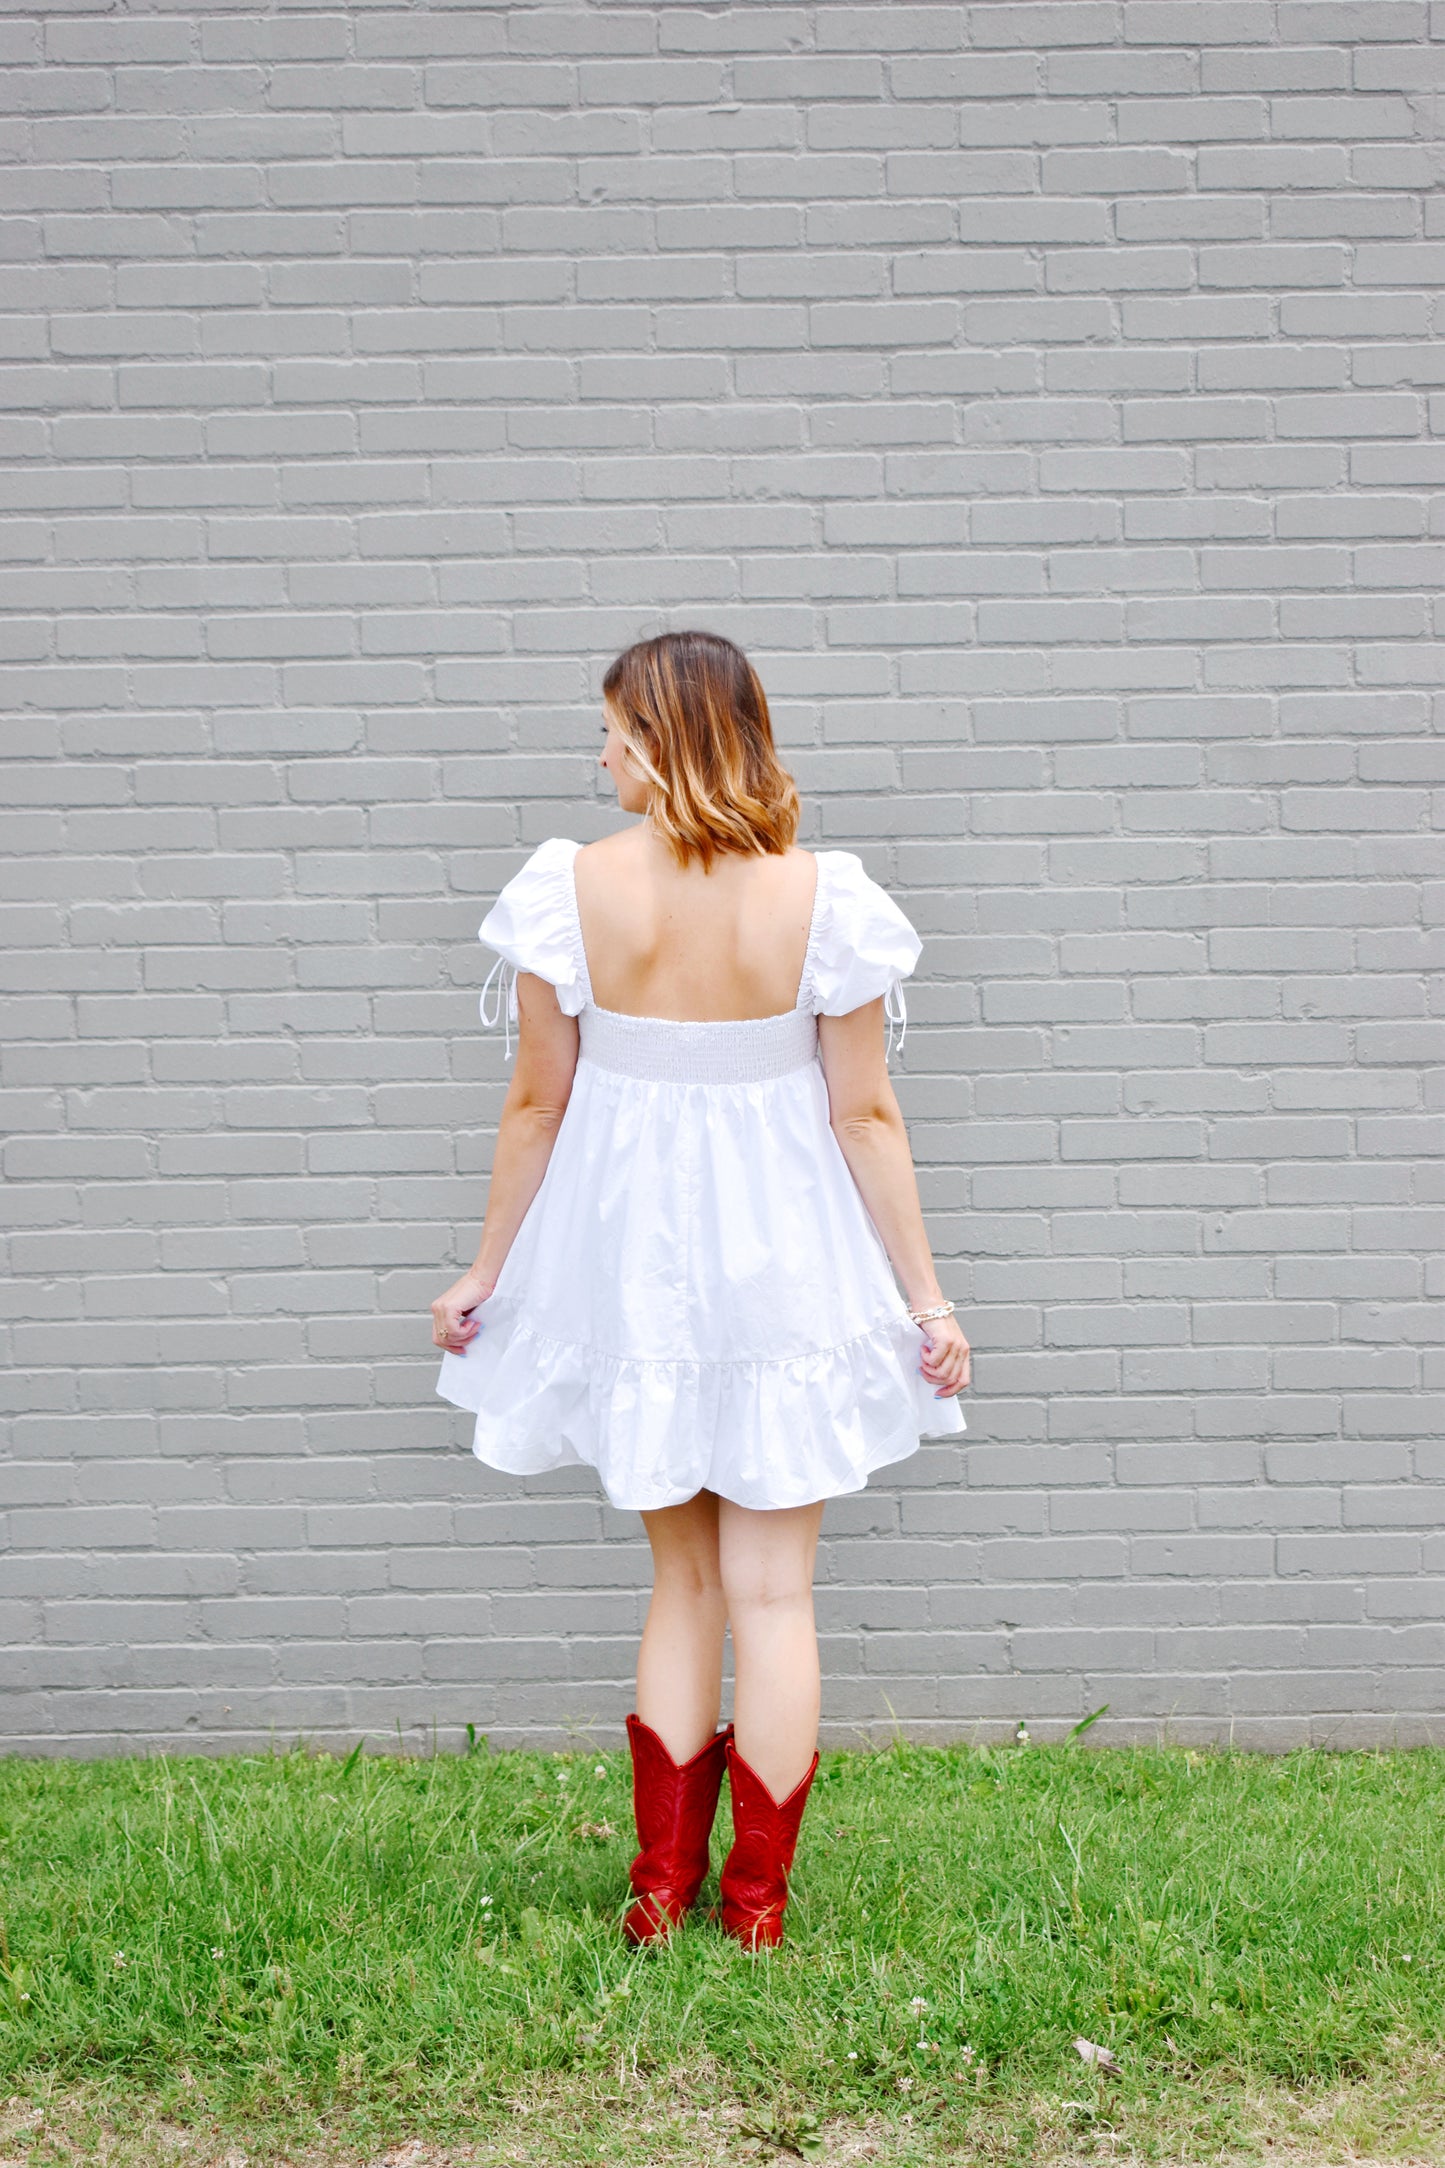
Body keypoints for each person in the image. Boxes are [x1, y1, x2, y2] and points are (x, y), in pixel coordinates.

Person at [430, 630, 970, 1951]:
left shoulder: (571, 891)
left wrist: (486, 1270)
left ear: (669, 739)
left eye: (615, 727)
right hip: (786, 1264)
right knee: (774, 1597)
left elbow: (533, 1106)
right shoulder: (822, 899)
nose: (599, 751)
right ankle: (756, 1913)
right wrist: (926, 1301)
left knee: (682, 1589)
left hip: (635, 1274)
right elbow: (865, 1117)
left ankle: (659, 1897)